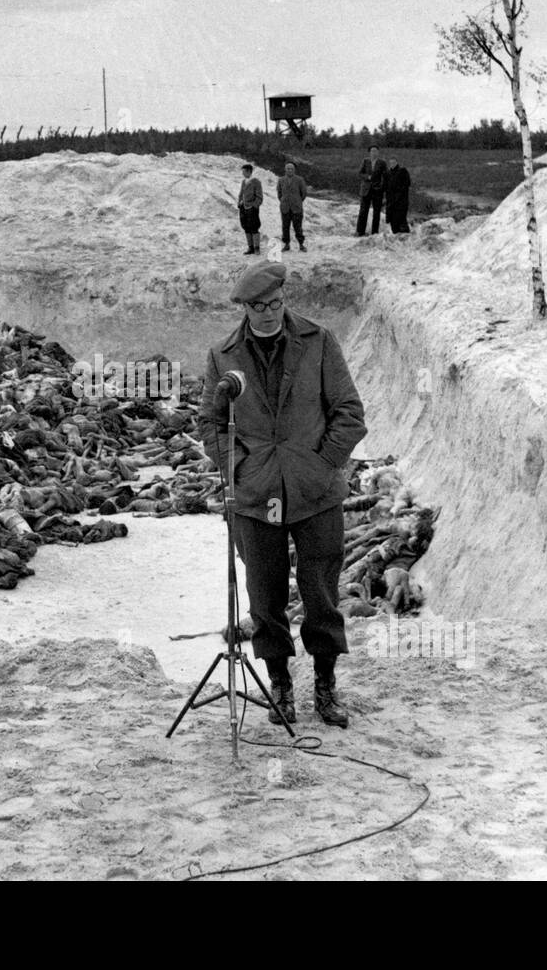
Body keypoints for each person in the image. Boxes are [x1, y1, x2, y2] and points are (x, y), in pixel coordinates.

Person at [197, 258, 368, 727]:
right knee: (265, 600)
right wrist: (241, 468)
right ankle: (280, 688)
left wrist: (322, 464)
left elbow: (350, 412)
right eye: (259, 306)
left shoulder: (318, 341)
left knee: (321, 596)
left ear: (283, 300)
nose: (269, 313)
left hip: (315, 496)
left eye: (275, 303)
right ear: (245, 308)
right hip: (255, 499)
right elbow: (212, 426)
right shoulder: (223, 356)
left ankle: (326, 689)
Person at [277, 161, 308, 252]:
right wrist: (283, 200)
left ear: (294, 170)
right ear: (285, 170)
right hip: (285, 207)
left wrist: (297, 201)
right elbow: (279, 193)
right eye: (288, 168)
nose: (289, 170)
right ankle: (286, 244)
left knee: (297, 226)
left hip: (296, 207)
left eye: (291, 169)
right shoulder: (281, 180)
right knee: (285, 227)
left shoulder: (299, 180)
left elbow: (304, 193)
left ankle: (301, 244)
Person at [356, 145, 386, 236]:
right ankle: (360, 232)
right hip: (366, 190)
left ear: (378, 152)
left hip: (377, 191)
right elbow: (360, 173)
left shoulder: (382, 162)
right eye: (372, 151)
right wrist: (367, 177)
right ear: (369, 152)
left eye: (376, 151)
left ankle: (374, 233)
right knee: (363, 211)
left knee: (376, 213)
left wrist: (382, 187)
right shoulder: (365, 161)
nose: (374, 153)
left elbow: (385, 176)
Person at [237, 161, 263, 255]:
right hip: (243, 208)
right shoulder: (244, 181)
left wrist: (254, 206)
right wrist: (239, 203)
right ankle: (250, 248)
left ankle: (257, 248)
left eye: (243, 171)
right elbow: (241, 194)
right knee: (246, 227)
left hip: (252, 208)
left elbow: (259, 197)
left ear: (248, 171)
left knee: (254, 227)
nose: (242, 173)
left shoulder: (256, 182)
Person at [385, 158, 411, 233]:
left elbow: (407, 184)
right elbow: (385, 186)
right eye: (391, 163)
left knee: (402, 221)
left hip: (401, 201)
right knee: (393, 222)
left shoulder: (402, 171)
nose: (392, 164)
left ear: (397, 163)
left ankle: (406, 239)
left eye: (394, 162)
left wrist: (398, 194)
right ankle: (396, 239)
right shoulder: (388, 173)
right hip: (391, 202)